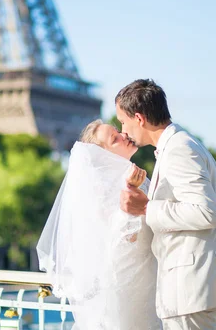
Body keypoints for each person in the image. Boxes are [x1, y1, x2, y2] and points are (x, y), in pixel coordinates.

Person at [116, 79, 216, 330]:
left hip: (189, 290)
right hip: (191, 288)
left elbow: (206, 212)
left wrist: (146, 208)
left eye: (123, 121)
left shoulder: (179, 149)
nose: (123, 130)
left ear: (139, 118)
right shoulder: (179, 145)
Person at [37, 119, 162, 330]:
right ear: (103, 156)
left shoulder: (130, 179)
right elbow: (121, 242)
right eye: (115, 139)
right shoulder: (101, 191)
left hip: (149, 285)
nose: (124, 135)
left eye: (117, 132)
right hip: (126, 291)